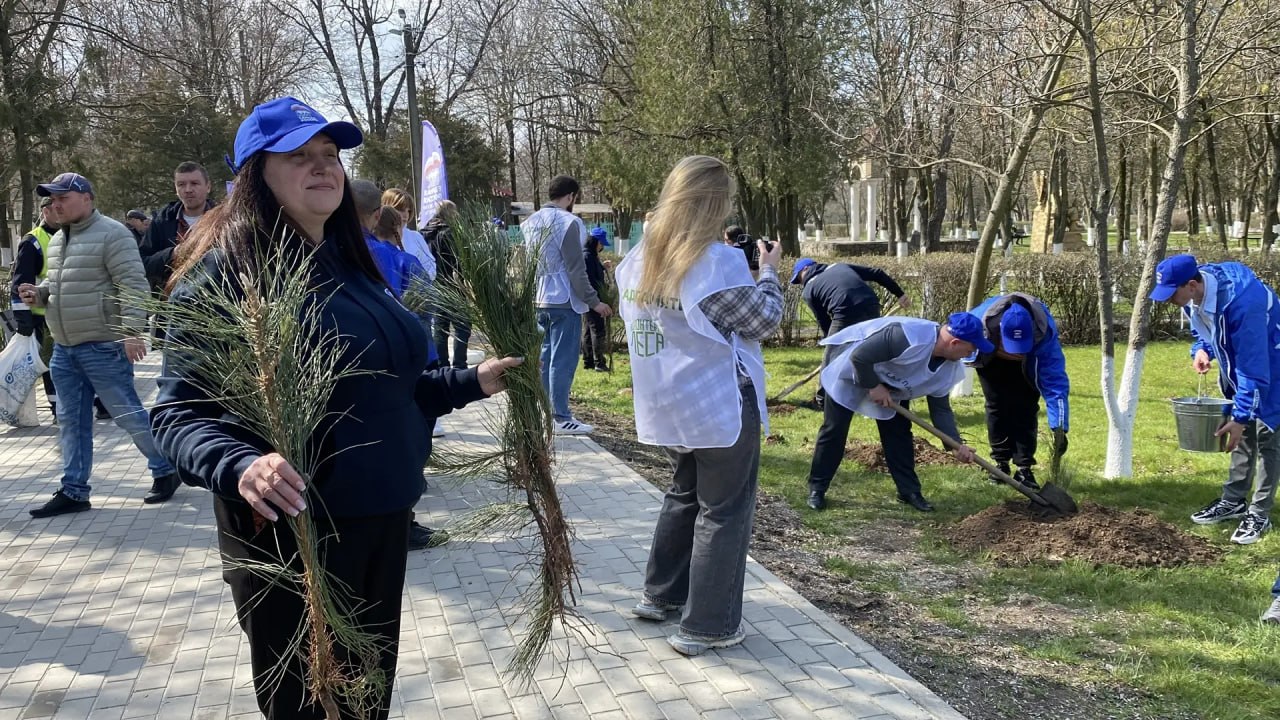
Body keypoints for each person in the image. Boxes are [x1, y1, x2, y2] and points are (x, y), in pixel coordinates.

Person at [149, 96, 522, 719]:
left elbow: (397, 383)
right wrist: (242, 464)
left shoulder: (351, 264)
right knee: (308, 704)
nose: (322, 167)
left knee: (365, 695)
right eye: (299, 156)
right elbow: (178, 414)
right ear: (254, 176)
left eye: (330, 155)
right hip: (296, 532)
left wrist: (469, 382)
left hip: (383, 515)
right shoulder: (227, 277)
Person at [617, 155, 782, 656]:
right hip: (718, 403)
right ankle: (707, 625)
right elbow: (763, 321)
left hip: (667, 399)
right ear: (717, 206)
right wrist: (771, 272)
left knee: (683, 494)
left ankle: (661, 595)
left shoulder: (640, 257)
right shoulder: (715, 263)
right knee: (725, 510)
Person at [17, 172, 180, 517]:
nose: (55, 205)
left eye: (63, 198)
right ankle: (74, 491)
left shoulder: (113, 234)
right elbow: (59, 283)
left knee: (129, 416)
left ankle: (166, 468)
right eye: (52, 200)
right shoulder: (59, 239)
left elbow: (133, 285)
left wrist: (133, 332)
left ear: (87, 198)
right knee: (71, 421)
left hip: (103, 346)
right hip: (64, 347)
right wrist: (40, 293)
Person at [1150, 254, 1280, 545]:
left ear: (1192, 285)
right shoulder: (1196, 294)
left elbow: (1253, 367)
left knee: (1267, 435)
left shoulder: (1244, 304)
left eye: (1172, 294)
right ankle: (1233, 501)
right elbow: (1203, 327)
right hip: (1244, 366)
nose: (1169, 300)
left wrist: (1241, 417)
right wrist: (1202, 349)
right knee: (1242, 435)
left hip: (1273, 366)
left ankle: (1259, 513)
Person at [804, 313, 981, 512]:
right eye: (972, 347)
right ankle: (817, 488)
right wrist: (873, 385)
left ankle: (909, 491)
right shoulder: (907, 336)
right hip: (851, 372)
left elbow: (940, 409)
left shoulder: (949, 367)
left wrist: (955, 444)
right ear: (955, 342)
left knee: (899, 434)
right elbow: (860, 357)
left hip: (893, 386)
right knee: (835, 429)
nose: (971, 353)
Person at [523, 175, 613, 435]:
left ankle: (545, 413)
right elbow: (576, 269)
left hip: (539, 297)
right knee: (562, 361)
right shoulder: (569, 222)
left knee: (545, 357)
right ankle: (561, 416)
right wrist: (594, 301)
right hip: (564, 299)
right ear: (571, 196)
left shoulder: (531, 221)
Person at [967, 293, 1069, 490]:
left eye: (1019, 347)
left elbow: (1055, 382)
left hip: (1028, 362)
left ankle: (1024, 467)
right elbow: (953, 340)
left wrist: (1060, 426)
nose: (1014, 352)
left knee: (1026, 407)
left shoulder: (1044, 334)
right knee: (996, 405)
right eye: (1011, 346)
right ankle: (999, 465)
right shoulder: (981, 322)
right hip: (991, 357)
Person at [791, 258, 911, 408]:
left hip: (844, 311)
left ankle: (822, 400)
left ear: (805, 270)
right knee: (872, 351)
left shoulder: (809, 288)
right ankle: (887, 390)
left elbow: (823, 320)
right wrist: (900, 294)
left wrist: (833, 342)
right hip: (871, 304)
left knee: (831, 358)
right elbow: (877, 273)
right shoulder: (839, 266)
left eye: (798, 279)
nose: (800, 283)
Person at [8, 196, 61, 418]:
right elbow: (20, 285)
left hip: (66, 315)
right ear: (45, 211)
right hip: (43, 319)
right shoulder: (33, 242)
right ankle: (59, 409)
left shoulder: (71, 234)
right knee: (52, 366)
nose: (60, 211)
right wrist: (24, 323)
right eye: (55, 208)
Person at [139, 162, 215, 293]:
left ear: (208, 187)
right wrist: (173, 254)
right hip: (172, 303)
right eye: (181, 185)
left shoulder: (223, 219)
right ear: (175, 189)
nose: (188, 189)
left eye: (195, 183)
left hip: (216, 303)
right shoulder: (162, 221)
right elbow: (143, 263)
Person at [423, 200, 471, 369]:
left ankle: (442, 364)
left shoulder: (425, 232)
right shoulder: (450, 233)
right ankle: (459, 365)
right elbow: (459, 261)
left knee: (440, 328)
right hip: (453, 285)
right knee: (462, 327)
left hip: (434, 286)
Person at [381, 187, 437, 281]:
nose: (406, 215)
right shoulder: (375, 237)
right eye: (401, 209)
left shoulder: (416, 237)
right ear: (387, 208)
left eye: (409, 210)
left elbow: (430, 266)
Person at [582, 226, 611, 372]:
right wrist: (597, 301)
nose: (602, 247)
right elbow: (591, 280)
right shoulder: (587, 257)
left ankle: (588, 361)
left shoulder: (591, 256)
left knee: (588, 329)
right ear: (595, 242)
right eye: (601, 243)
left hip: (590, 299)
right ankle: (599, 362)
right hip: (594, 300)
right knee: (598, 329)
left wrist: (602, 266)